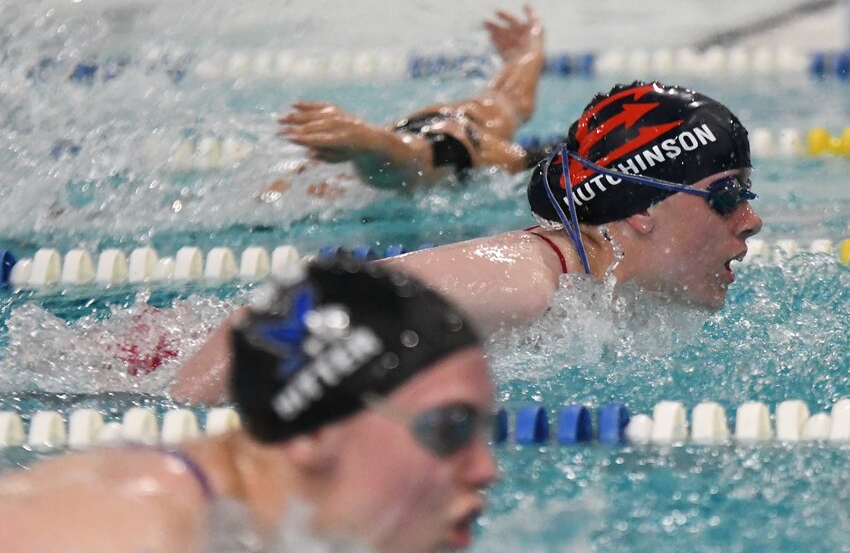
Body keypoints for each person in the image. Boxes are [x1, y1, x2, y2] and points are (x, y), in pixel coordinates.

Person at [171, 80, 763, 405]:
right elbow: (299, 308)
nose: (750, 220)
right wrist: (181, 412)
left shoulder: (601, 288)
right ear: (641, 212)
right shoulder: (525, 282)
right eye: (725, 195)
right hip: (148, 366)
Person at [0, 258, 497, 553]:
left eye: (483, 431)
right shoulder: (138, 539)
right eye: (449, 430)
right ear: (312, 433)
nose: (486, 470)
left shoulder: (241, 535)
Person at [264, 6, 547, 195]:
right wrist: (368, 140)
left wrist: (530, 50)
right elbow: (412, 156)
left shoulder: (488, 129)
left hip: (427, 135)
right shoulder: (490, 151)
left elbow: (511, 100)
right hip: (425, 145)